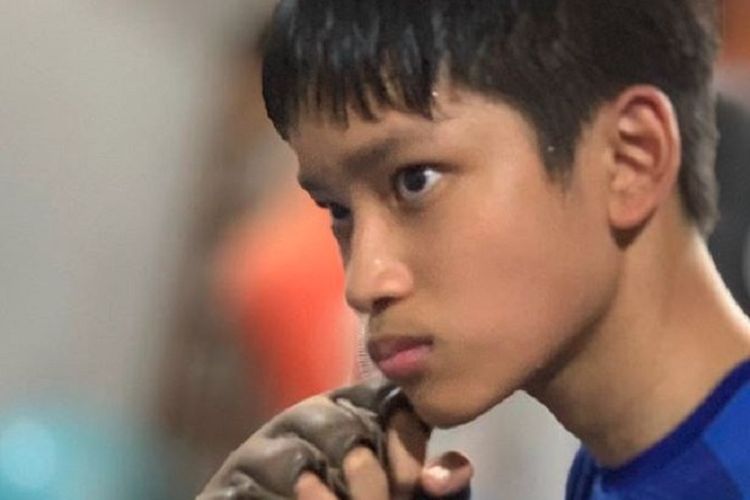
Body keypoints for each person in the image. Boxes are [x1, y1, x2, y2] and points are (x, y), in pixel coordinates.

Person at [199, 0, 750, 498]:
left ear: (629, 159)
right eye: (339, 210)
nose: (363, 282)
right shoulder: (634, 463)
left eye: (415, 180)